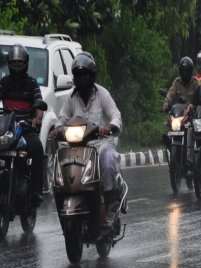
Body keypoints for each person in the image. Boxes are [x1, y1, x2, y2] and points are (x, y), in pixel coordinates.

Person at [56, 51, 124, 227]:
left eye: (84, 75)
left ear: (92, 76)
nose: (81, 79)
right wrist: (57, 130)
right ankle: (64, 194)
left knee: (108, 159)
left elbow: (115, 114)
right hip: (77, 147)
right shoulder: (71, 98)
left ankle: (110, 202)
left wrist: (110, 127)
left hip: (100, 144)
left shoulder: (102, 94)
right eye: (78, 75)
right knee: (60, 159)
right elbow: (62, 119)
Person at [0, 44, 45, 206]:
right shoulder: (4, 82)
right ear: (8, 64)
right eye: (14, 63)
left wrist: (36, 119)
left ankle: (36, 191)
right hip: (6, 129)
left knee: (38, 148)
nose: (17, 66)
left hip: (26, 128)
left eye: (20, 63)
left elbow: (39, 105)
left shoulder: (32, 83)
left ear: (26, 63)